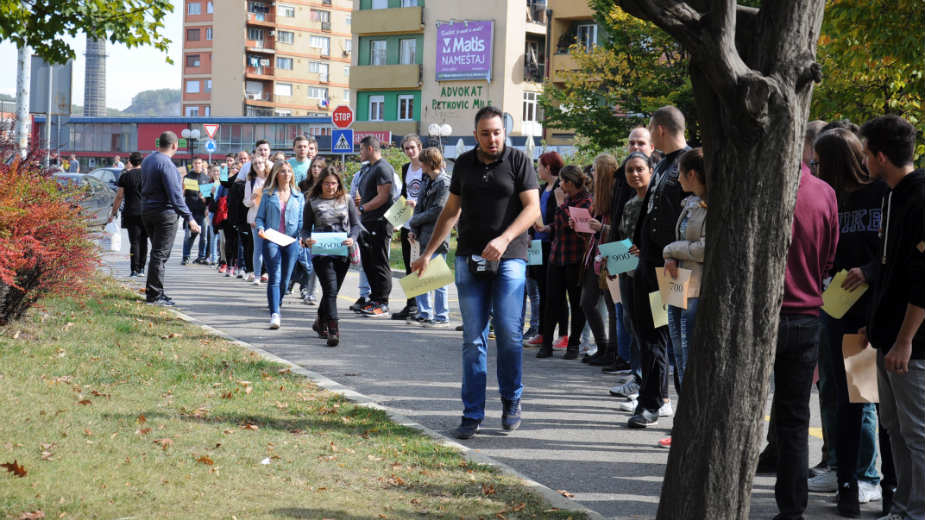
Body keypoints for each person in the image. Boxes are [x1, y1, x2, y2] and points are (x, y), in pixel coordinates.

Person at [411, 106, 540, 439]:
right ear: (475, 134)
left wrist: (505, 237)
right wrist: (427, 254)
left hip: (510, 257)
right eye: (485, 133)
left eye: (497, 132)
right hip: (469, 258)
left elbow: (533, 209)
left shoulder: (519, 162)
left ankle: (512, 400)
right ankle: (472, 413)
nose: (492, 138)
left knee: (510, 335)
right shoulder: (465, 164)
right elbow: (451, 212)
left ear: (504, 132)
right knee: (473, 340)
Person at [857, 115, 924, 520]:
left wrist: (903, 340)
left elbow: (922, 282)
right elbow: (888, 269)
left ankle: (917, 511)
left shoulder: (920, 198)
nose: (864, 161)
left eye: (866, 153)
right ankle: (902, 507)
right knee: (894, 428)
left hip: (911, 346)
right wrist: (874, 322)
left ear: (881, 156)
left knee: (916, 433)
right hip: (886, 336)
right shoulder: (890, 194)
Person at [771, 159, 839, 520]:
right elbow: (829, 257)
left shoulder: (764, 187)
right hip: (808, 313)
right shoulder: (824, 193)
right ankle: (792, 509)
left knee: (750, 413)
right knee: (795, 419)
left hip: (765, 317)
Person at [627, 106, 690, 428]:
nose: (648, 137)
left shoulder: (688, 163)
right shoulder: (662, 163)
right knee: (649, 335)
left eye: (650, 130)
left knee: (673, 337)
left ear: (661, 130)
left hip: (674, 268)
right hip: (648, 264)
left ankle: (667, 406)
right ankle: (651, 399)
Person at [654, 147, 707, 449]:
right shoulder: (687, 203)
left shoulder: (709, 204)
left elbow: (703, 247)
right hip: (677, 282)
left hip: (696, 289)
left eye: (680, 172)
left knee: (689, 361)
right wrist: (672, 255)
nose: (676, 178)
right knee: (679, 359)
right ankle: (682, 428)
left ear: (692, 174)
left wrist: (671, 251)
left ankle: (690, 431)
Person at [302, 166, 363, 346]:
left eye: (334, 183)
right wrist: (307, 239)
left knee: (332, 291)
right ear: (321, 184)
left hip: (342, 252)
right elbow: (305, 229)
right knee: (330, 289)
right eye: (327, 183)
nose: (330, 187)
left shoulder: (347, 199)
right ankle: (333, 330)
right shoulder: (312, 201)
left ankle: (320, 320)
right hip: (321, 252)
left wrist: (352, 238)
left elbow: (356, 225)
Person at [536, 165, 591, 360]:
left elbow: (578, 227)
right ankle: (547, 344)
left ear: (569, 182)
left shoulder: (586, 200)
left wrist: (560, 205)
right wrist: (548, 228)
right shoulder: (567, 200)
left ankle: (573, 345)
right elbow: (560, 224)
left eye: (562, 181)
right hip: (556, 256)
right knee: (552, 301)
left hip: (574, 257)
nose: (560, 185)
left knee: (576, 303)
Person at [141, 132, 200, 306]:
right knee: (160, 255)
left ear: (160, 143)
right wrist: (189, 218)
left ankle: (155, 291)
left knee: (156, 253)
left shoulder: (148, 160)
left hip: (147, 211)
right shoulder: (167, 165)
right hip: (164, 213)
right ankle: (155, 295)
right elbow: (175, 195)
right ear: (175, 146)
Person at [579, 153, 623, 368]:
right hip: (595, 255)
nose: (592, 173)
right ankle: (603, 345)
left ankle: (613, 351)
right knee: (587, 302)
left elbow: (624, 230)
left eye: (596, 170)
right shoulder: (599, 195)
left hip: (613, 254)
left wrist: (601, 228)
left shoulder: (617, 193)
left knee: (613, 306)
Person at [525, 151, 569, 349]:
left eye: (540, 166)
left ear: (549, 167)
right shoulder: (542, 188)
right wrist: (529, 232)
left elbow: (562, 217)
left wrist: (547, 228)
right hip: (537, 244)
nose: (538, 169)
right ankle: (542, 332)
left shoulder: (561, 187)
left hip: (552, 245)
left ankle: (563, 334)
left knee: (555, 293)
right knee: (541, 290)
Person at [255, 160, 305, 330]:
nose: (286, 174)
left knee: (285, 279)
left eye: (288, 171)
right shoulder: (268, 194)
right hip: (272, 238)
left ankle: (278, 300)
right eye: (282, 171)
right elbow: (260, 217)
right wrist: (261, 228)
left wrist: (301, 237)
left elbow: (301, 221)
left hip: (291, 240)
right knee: (275, 277)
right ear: (276, 174)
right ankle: (275, 313)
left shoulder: (299, 195)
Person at [407, 147, 451, 327]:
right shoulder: (427, 179)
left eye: (422, 161)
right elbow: (419, 206)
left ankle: (442, 316)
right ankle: (424, 313)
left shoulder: (444, 183)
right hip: (422, 233)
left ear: (429, 162)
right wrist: (414, 227)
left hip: (437, 235)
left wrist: (414, 219)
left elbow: (438, 211)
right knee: (419, 274)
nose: (419, 165)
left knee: (438, 278)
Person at [355, 136, 396, 317]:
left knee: (379, 262)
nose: (360, 152)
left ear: (370, 149)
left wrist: (363, 207)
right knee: (368, 262)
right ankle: (374, 298)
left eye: (362, 149)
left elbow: (383, 197)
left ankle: (383, 302)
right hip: (367, 222)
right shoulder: (369, 168)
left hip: (379, 222)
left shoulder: (383, 168)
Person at [392, 134, 426, 321]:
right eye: (407, 148)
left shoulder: (426, 167)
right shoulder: (406, 168)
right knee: (409, 265)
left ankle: (424, 308)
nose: (410, 151)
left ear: (420, 147)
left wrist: (417, 203)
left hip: (422, 222)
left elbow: (432, 194)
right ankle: (411, 304)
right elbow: (404, 195)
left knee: (423, 265)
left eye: (413, 147)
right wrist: (397, 220)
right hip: (407, 223)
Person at [108, 152, 147, 277]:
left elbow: (119, 196)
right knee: (144, 240)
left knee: (134, 242)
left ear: (130, 161)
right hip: (146, 212)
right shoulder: (148, 176)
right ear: (142, 161)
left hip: (131, 211)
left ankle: (134, 270)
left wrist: (113, 212)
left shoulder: (125, 176)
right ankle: (142, 268)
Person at [244, 155, 270, 284]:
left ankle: (269, 273)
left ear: (265, 164)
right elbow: (246, 202)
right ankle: (257, 275)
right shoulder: (251, 181)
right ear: (252, 167)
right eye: (255, 164)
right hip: (255, 218)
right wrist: (252, 198)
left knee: (271, 247)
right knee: (258, 248)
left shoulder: (271, 179)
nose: (258, 165)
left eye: (260, 162)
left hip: (271, 218)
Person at [181, 157, 209, 265]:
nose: (197, 165)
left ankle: (201, 256)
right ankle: (186, 256)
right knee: (189, 236)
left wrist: (205, 199)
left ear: (202, 165)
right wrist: (182, 188)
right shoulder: (187, 177)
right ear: (193, 164)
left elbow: (207, 198)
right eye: (196, 163)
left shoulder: (206, 178)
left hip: (202, 211)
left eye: (199, 163)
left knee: (204, 236)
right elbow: (183, 194)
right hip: (190, 211)